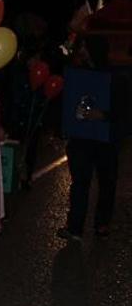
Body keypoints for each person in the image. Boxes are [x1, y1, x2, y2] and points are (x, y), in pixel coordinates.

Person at [57, 35, 126, 241]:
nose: (83, 51)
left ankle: (102, 223)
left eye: (86, 47)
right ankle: (75, 227)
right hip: (82, 139)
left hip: (106, 140)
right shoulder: (79, 73)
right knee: (80, 183)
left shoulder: (116, 78)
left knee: (107, 182)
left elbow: (123, 110)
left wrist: (103, 115)